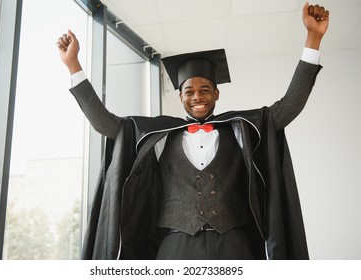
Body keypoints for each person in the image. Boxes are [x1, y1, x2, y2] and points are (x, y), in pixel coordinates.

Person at [57, 2, 329, 260]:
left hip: (236, 246)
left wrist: (313, 40)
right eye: (190, 91)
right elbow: (105, 123)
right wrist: (73, 66)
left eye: (205, 90)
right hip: (175, 247)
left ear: (217, 93)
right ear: (181, 97)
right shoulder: (159, 136)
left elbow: (290, 106)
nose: (197, 96)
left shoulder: (241, 129)